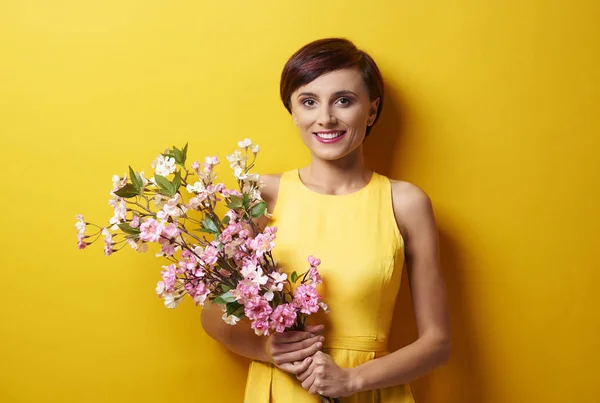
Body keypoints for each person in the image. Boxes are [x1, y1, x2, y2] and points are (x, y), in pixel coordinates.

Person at [201, 38, 451, 402]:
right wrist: (269, 351)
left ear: (371, 110)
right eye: (308, 102)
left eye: (344, 100)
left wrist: (352, 381)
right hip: (283, 390)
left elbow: (437, 342)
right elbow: (213, 315)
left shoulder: (405, 203)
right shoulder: (257, 196)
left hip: (370, 391)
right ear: (293, 111)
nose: (326, 118)